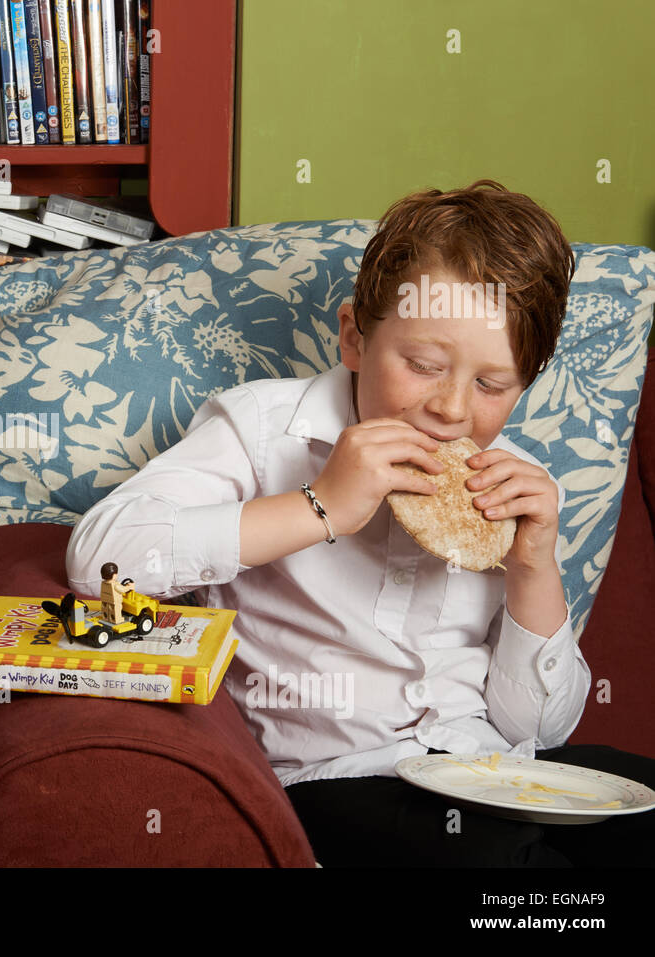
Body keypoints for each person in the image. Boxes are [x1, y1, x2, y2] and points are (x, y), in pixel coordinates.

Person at [67, 181, 654, 866]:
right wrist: (319, 506)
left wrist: (531, 568)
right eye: (423, 366)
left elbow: (540, 730)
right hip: (338, 782)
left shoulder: (517, 483)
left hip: (490, 766)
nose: (452, 409)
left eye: (493, 386)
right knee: (508, 874)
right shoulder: (263, 429)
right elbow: (99, 559)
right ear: (354, 337)